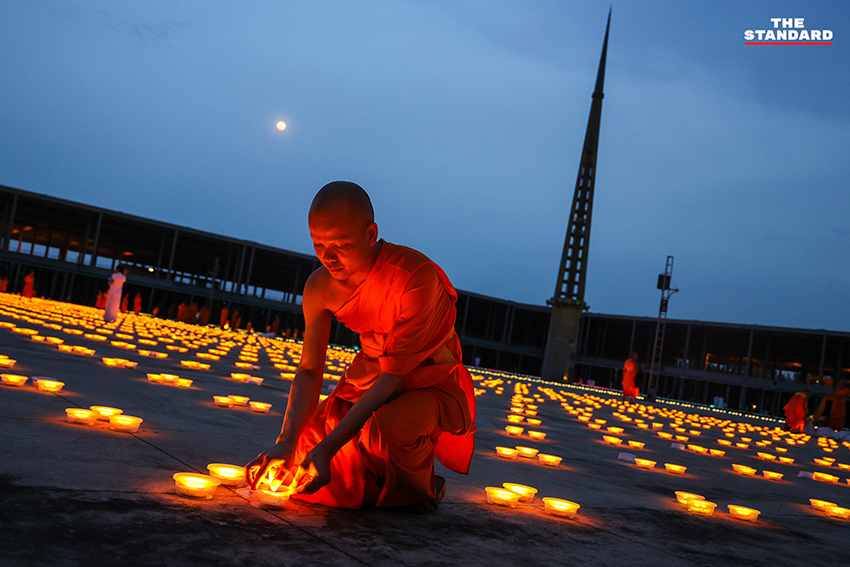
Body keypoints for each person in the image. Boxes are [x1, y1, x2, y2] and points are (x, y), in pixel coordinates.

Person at [246, 181, 476, 513]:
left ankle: (420, 489)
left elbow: (395, 375)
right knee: (301, 456)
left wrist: (329, 448)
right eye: (318, 244)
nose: (328, 257)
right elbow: (310, 369)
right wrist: (285, 441)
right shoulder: (319, 287)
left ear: (371, 234)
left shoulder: (414, 277)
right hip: (370, 377)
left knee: (386, 433)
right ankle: (377, 481)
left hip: (425, 382)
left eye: (341, 244)